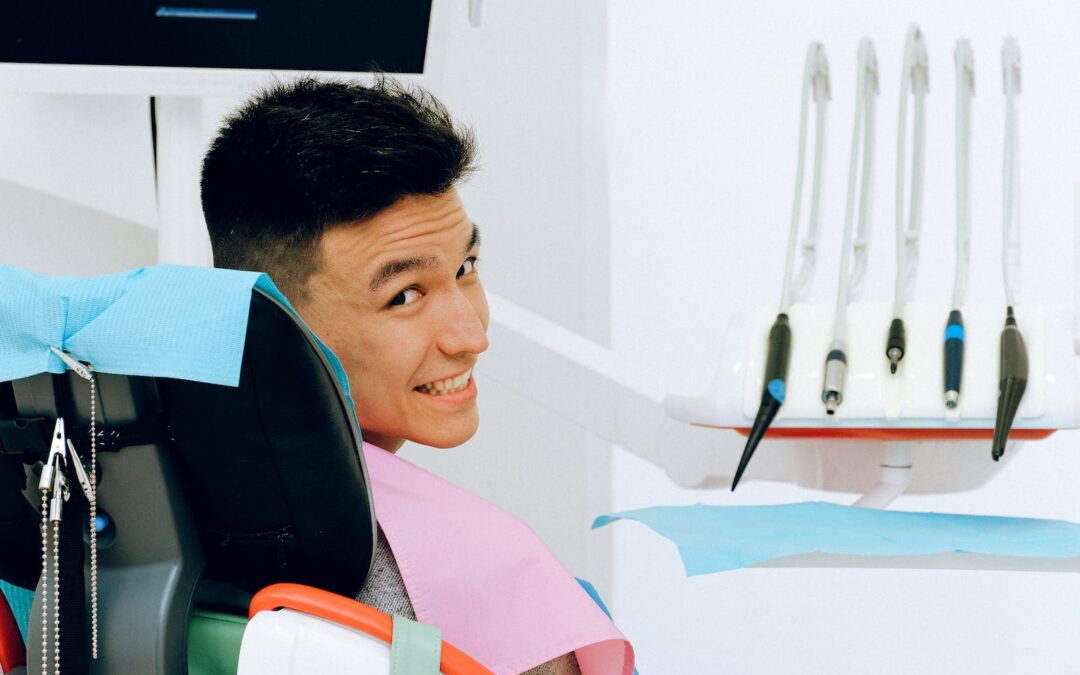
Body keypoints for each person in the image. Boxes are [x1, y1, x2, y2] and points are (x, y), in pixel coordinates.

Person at [200, 77, 630, 675]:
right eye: (404, 295)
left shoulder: (124, 506)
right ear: (278, 327)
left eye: (466, 266)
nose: (471, 335)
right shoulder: (482, 574)